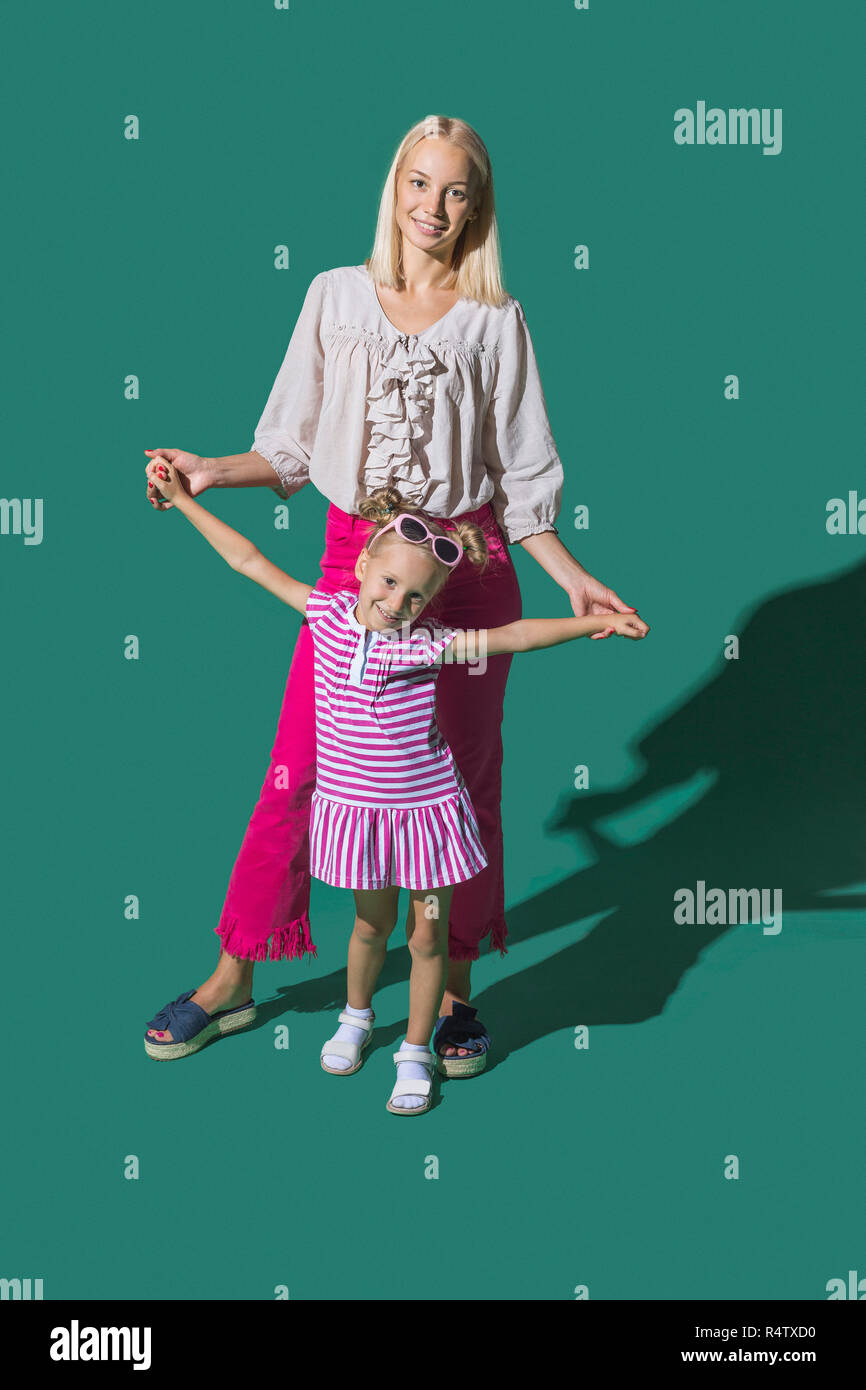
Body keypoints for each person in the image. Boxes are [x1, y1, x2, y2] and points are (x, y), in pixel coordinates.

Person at [142, 113, 646, 1073]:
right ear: (395, 189)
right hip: (353, 560)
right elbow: (289, 446)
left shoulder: (496, 319)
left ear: (478, 207)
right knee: (298, 769)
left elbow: (524, 481)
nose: (435, 207)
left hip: (470, 569)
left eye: (457, 191)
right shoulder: (334, 296)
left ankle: (455, 988)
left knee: (463, 785)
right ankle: (235, 974)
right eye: (420, 183)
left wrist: (576, 584)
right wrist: (210, 470)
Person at [143, 461, 648, 1112]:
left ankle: (413, 1053)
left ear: (430, 603)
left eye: (415, 597)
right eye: (388, 583)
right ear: (359, 568)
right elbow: (248, 559)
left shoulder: (427, 646)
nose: (396, 604)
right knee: (368, 929)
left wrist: (591, 624)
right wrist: (184, 500)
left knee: (426, 936)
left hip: (427, 826)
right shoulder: (325, 616)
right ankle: (354, 1020)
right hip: (360, 822)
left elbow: (512, 635)